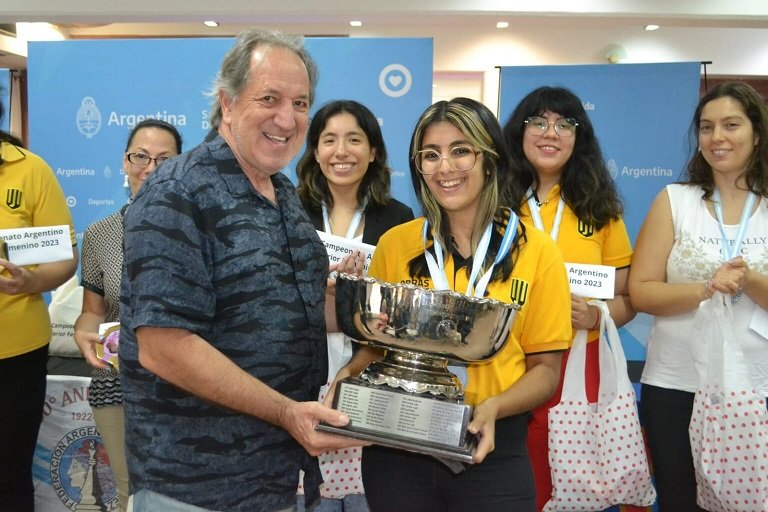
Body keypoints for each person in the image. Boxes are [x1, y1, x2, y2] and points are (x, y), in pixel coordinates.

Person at [119, 28, 365, 512]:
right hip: (194, 484)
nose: (286, 118)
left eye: (300, 103)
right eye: (269, 98)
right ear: (227, 103)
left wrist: (390, 317)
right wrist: (285, 412)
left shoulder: (285, 196)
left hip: (273, 478)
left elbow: (301, 312)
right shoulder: (178, 192)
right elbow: (164, 346)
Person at [331, 97, 572, 511]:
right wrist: (348, 375)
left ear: (489, 159)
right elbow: (376, 344)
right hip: (398, 447)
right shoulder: (397, 244)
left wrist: (496, 406)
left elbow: (546, 371)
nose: (445, 167)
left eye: (461, 150)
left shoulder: (538, 253)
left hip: (491, 444)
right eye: (431, 154)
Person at [629, 82, 768, 512]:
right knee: (679, 499)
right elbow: (642, 291)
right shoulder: (675, 200)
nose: (717, 138)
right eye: (707, 127)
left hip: (757, 386)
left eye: (731, 125)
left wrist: (746, 279)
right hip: (676, 384)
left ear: (757, 134)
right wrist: (706, 288)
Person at [501, 86, 635, 511]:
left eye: (564, 124)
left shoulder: (599, 206)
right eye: (538, 122)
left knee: (578, 487)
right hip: (506, 363)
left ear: (580, 137)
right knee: (517, 481)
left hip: (581, 365)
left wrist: (597, 317)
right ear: (519, 133)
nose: (550, 133)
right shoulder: (494, 201)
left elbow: (629, 296)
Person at [296, 99, 414, 511]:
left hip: (370, 368)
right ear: (314, 151)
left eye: (354, 140)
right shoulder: (290, 212)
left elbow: (405, 305)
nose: (341, 152)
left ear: (374, 151)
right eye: (329, 140)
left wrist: (364, 295)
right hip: (301, 369)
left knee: (370, 493)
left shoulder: (400, 219)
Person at [73, 118, 182, 512]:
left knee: (184, 497)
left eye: (164, 160)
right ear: (124, 162)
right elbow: (92, 312)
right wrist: (84, 334)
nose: (149, 168)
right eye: (140, 156)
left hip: (186, 387)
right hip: (116, 384)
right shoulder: (101, 234)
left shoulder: (199, 232)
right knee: (128, 496)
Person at [0, 87, 78, 512]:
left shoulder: (29, 170)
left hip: (14, 353)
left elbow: (64, 259)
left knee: (9, 474)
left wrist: (27, 282)